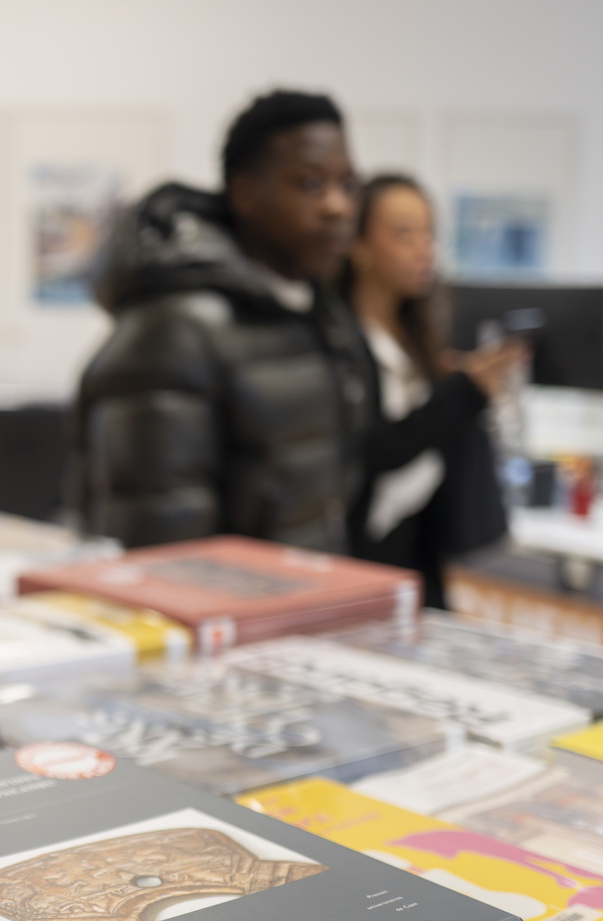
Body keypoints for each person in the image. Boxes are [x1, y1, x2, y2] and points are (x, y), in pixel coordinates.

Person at [78, 89, 371, 551]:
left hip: (304, 607)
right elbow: (160, 552)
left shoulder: (314, 310)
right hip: (228, 616)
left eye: (349, 185)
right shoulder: (173, 328)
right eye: (311, 184)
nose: (339, 206)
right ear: (246, 194)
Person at [340, 174, 521, 607]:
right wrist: (463, 391)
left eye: (430, 233)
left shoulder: (421, 340)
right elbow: (374, 451)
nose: (424, 249)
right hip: (362, 564)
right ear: (360, 246)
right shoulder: (341, 345)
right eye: (405, 234)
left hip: (424, 563)